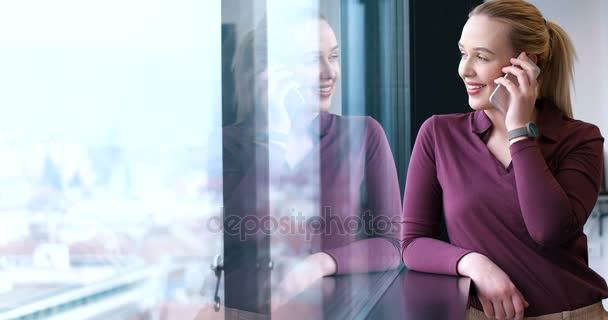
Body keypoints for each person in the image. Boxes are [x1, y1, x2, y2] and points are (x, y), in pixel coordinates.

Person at [401, 0, 608, 319]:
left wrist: (519, 131)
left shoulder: (581, 139)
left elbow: (548, 230)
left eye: (481, 56)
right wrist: (475, 264)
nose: (464, 69)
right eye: (462, 52)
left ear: (526, 64)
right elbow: (413, 244)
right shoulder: (438, 134)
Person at [221, 12, 402, 317]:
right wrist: (275, 138)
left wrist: (320, 263)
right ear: (271, 71)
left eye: (333, 56)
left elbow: (393, 245)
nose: (329, 72)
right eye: (311, 60)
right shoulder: (228, 143)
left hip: (336, 313)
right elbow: (232, 233)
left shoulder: (363, 134)